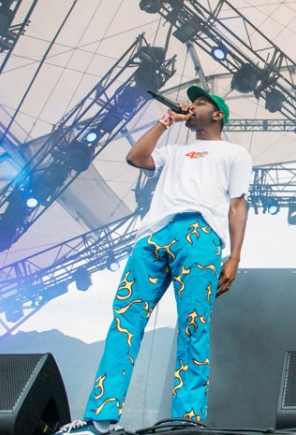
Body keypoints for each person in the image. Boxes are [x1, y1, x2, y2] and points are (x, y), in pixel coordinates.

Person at [57, 86, 252, 434]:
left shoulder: (234, 153)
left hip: (200, 235)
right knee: (125, 320)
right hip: (154, 234)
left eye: (201, 102)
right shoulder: (174, 151)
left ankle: (186, 423)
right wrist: (167, 120)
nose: (193, 105)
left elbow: (238, 205)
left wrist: (234, 255)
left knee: (194, 326)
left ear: (217, 114)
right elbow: (136, 157)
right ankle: (100, 420)